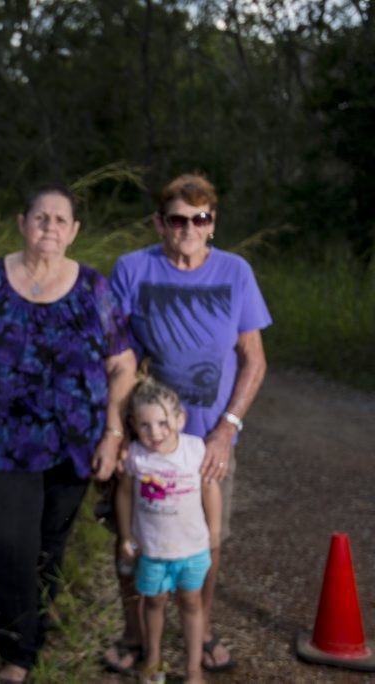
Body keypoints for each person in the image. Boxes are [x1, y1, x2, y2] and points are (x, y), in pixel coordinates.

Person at [0, 185, 137, 683]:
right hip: (1, 443)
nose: (50, 226)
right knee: (12, 546)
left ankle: (36, 627)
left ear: (73, 232)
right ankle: (17, 654)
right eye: (41, 217)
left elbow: (123, 365)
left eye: (60, 219)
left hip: (76, 445)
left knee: (52, 544)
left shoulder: (94, 287)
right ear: (22, 222)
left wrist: (113, 433)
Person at [104, 172, 270, 675]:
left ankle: (202, 632)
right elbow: (115, 352)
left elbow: (254, 359)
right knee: (132, 532)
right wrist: (118, 428)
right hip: (148, 435)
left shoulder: (236, 272)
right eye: (178, 218)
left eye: (201, 218)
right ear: (160, 222)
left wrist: (228, 428)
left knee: (206, 537)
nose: (189, 228)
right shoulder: (132, 269)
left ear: (212, 223)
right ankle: (135, 637)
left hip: (207, 438)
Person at [116, 374, 221, 684]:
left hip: (193, 549)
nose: (155, 433)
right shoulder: (135, 455)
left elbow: (210, 489)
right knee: (154, 602)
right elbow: (123, 494)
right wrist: (125, 534)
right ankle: (153, 660)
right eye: (145, 425)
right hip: (152, 550)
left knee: (191, 603)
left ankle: (193, 670)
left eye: (163, 423)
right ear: (134, 425)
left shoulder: (195, 449)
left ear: (180, 418)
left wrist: (214, 531)